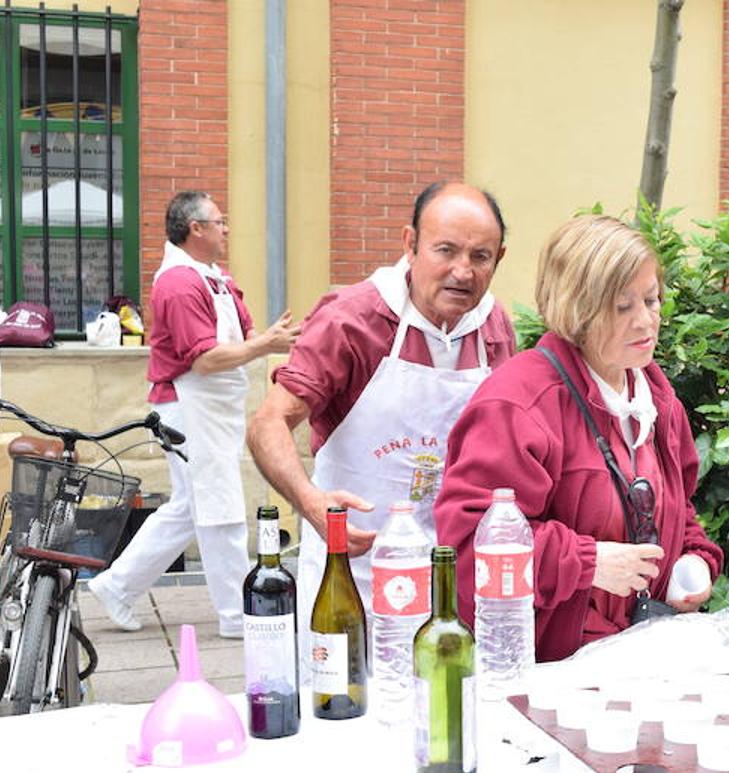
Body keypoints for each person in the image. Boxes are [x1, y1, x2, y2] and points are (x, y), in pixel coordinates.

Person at [433, 215, 723, 661]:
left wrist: (694, 560)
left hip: (635, 658)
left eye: (652, 299)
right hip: (544, 673)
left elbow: (676, 508)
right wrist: (587, 563)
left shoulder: (655, 395)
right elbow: (471, 548)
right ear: (578, 309)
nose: (646, 320)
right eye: (623, 307)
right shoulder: (518, 402)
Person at [246, 181, 517, 631]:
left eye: (480, 257)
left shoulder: (495, 327)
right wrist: (312, 504)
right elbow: (268, 422)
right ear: (410, 245)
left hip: (453, 577)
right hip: (353, 575)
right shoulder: (352, 320)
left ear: (499, 258)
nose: (463, 272)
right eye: (445, 251)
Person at [89, 191, 300, 637]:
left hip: (211, 407)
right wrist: (267, 345)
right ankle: (237, 614)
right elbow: (202, 361)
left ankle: (117, 584)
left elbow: (246, 335)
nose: (226, 229)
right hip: (188, 407)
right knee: (219, 506)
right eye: (219, 221)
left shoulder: (215, 278)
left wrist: (275, 340)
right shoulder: (179, 284)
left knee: (190, 505)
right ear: (195, 229)